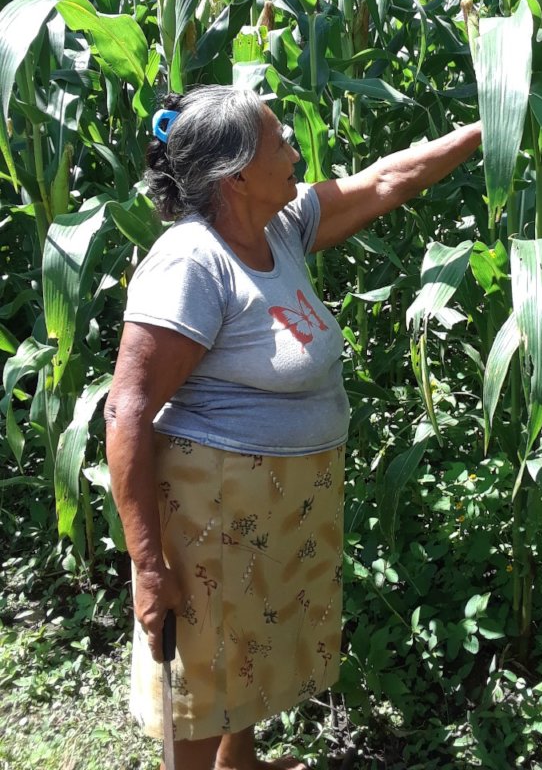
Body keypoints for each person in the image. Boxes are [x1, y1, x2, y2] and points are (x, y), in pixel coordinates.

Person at [105, 84, 482, 770]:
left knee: (245, 650)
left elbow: (387, 179)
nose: (296, 151)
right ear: (236, 174)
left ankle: (239, 765)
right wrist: (149, 566)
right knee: (203, 676)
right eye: (279, 141)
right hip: (212, 517)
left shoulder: (277, 226)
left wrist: (492, 124)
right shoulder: (192, 262)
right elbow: (126, 408)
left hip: (277, 509)